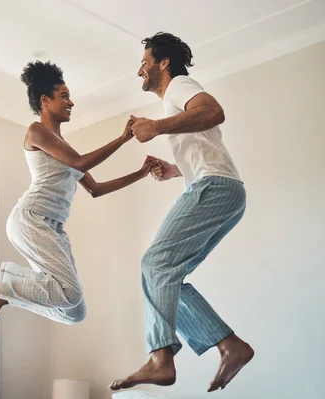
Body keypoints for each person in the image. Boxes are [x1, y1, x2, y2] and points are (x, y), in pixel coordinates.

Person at [0, 61, 158, 330]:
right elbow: (80, 163)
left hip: (53, 228)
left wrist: (140, 173)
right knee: (69, 292)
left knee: (74, 311)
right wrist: (122, 139)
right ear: (45, 100)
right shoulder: (36, 131)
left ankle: (6, 293)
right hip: (32, 219)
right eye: (64, 96)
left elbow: (96, 189)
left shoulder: (64, 147)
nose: (71, 102)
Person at [110, 32, 254, 393]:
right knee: (165, 275)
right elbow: (205, 145)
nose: (139, 69)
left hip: (214, 187)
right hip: (222, 189)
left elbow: (213, 111)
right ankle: (228, 345)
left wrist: (156, 127)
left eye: (145, 62)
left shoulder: (179, 85)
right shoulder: (175, 98)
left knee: (155, 263)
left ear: (164, 62)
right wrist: (175, 168)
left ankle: (161, 359)